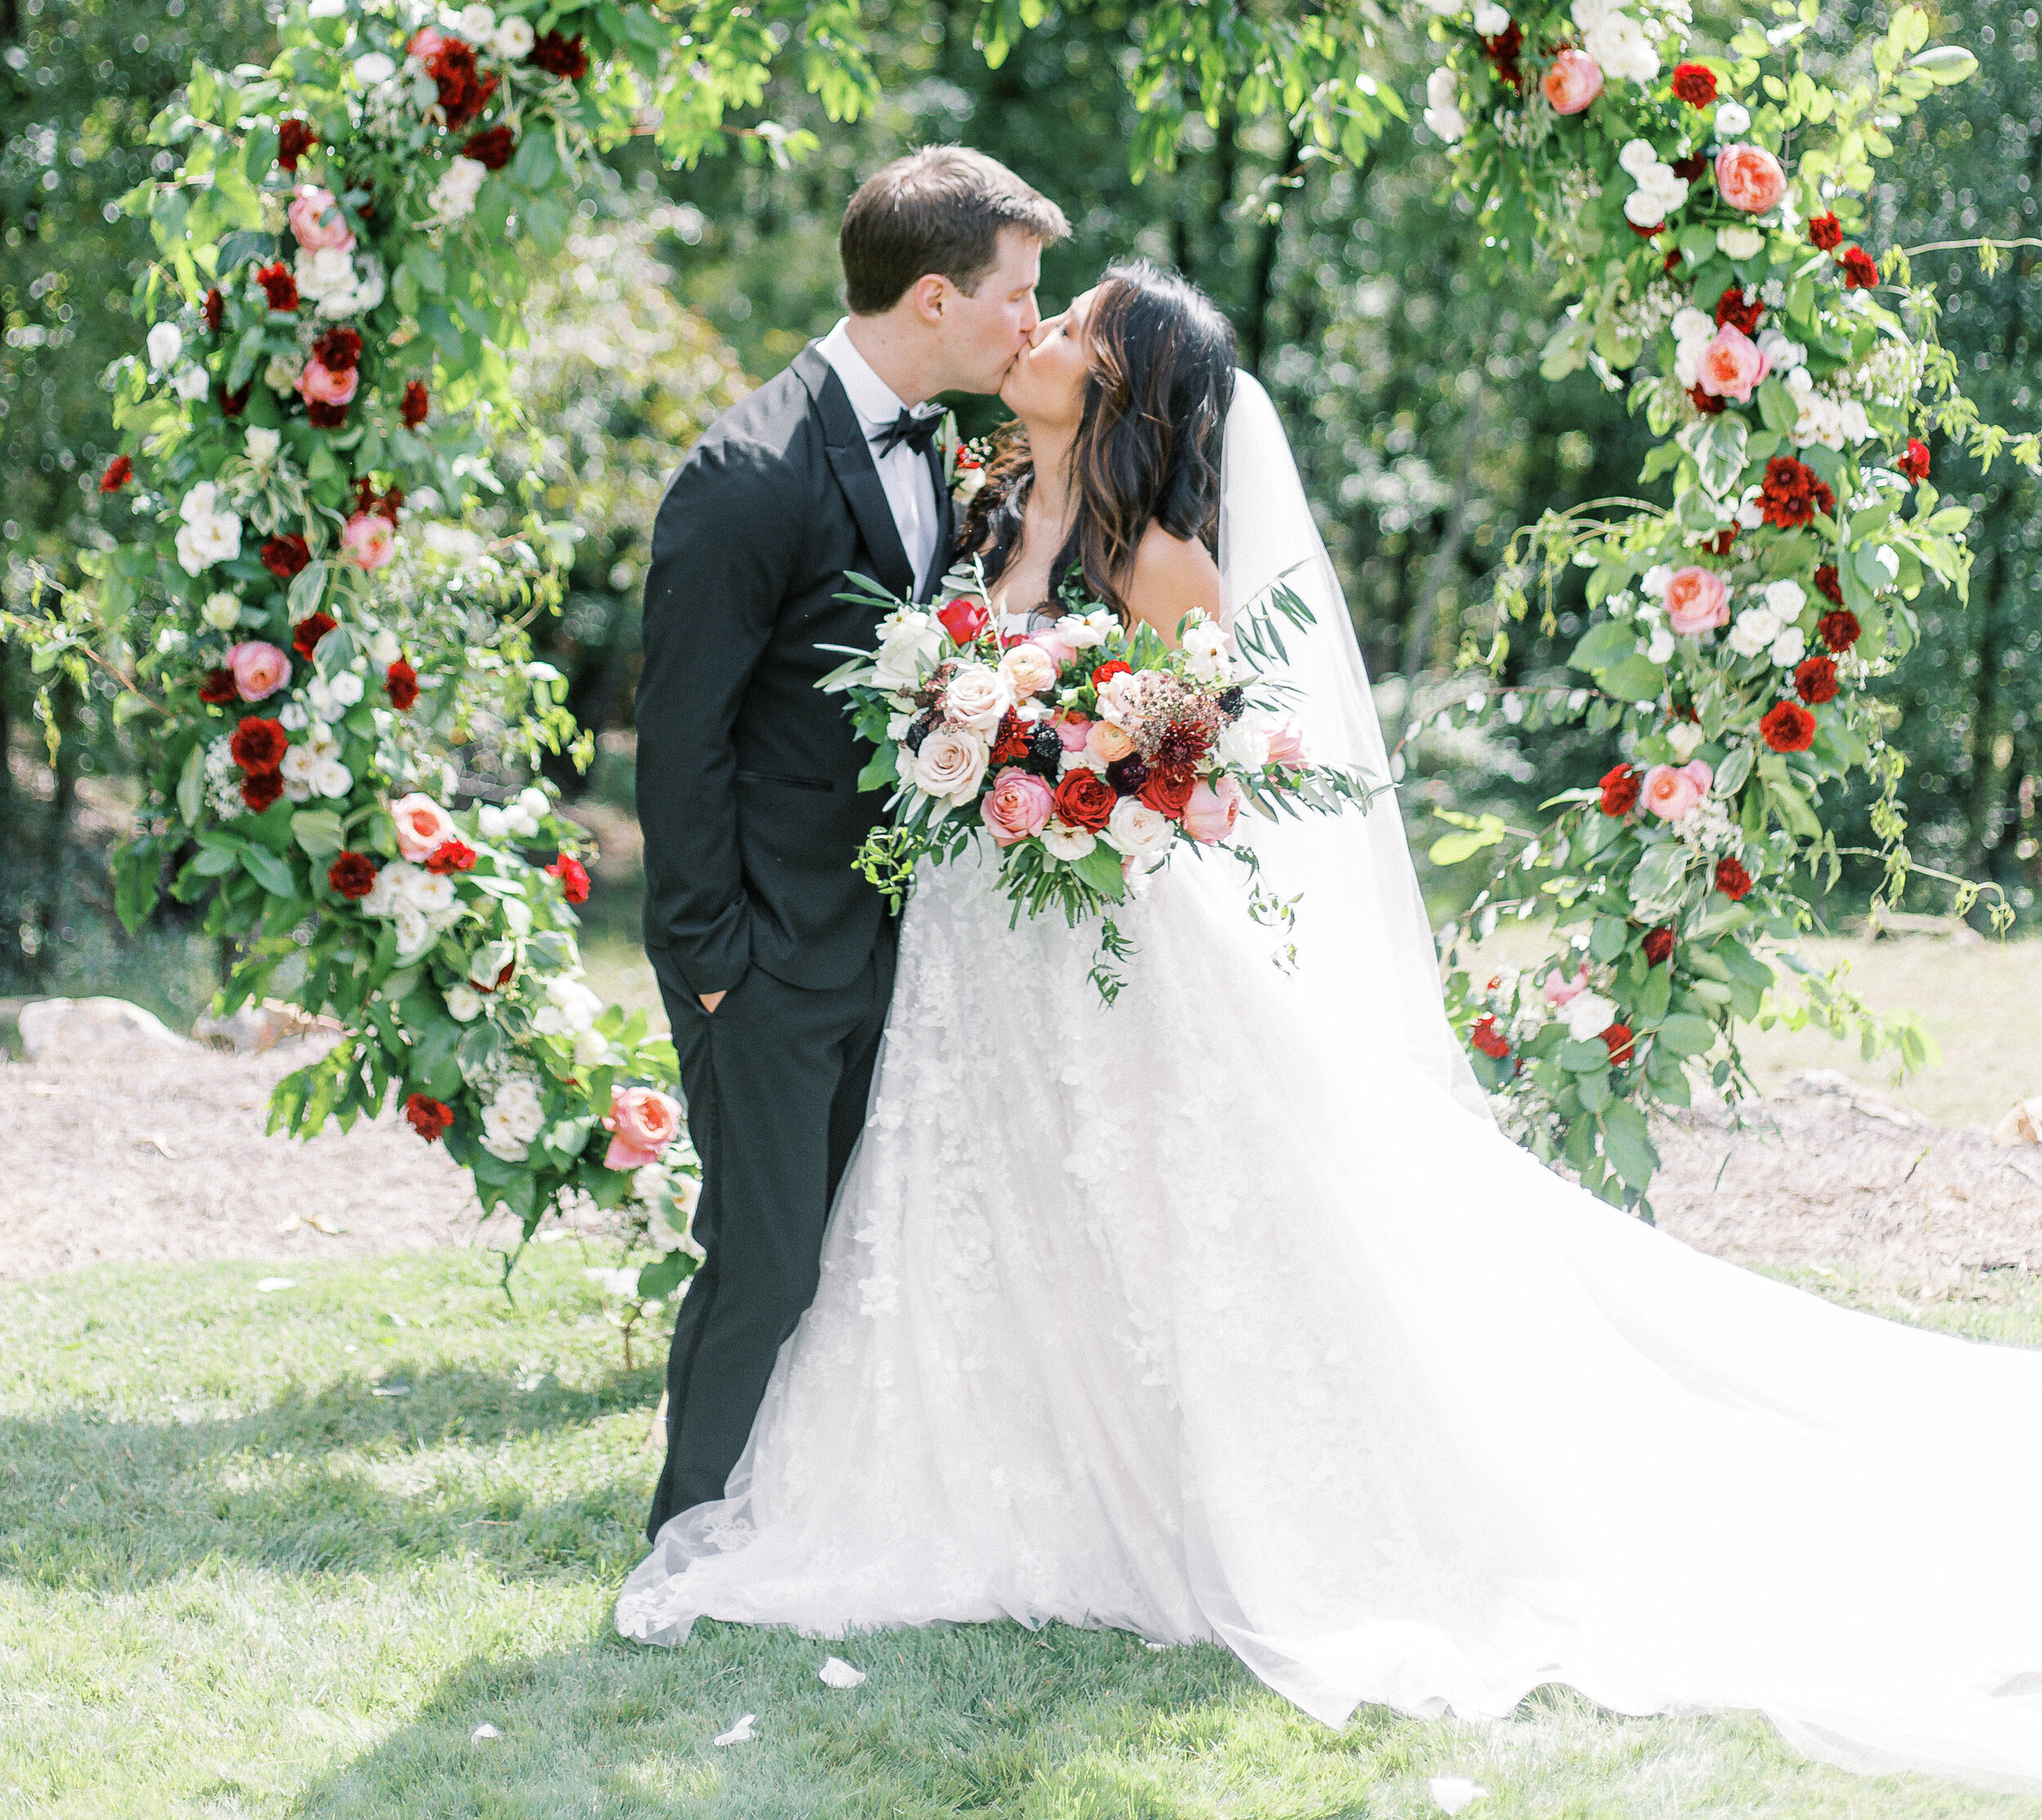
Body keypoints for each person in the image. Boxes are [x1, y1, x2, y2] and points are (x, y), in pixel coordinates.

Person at [621, 261, 2042, 1796]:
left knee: (1165, 1215)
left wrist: (1081, 780)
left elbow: (1207, 777)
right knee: (997, 1213)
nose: (1037, 329)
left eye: (1074, 322)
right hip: (971, 951)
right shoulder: (978, 505)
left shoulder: (1164, 564)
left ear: (1123, 384)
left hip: (1113, 946)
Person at [632, 143, 1068, 1539]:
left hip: (899, 939)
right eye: (1018, 292)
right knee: (762, 1259)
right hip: (762, 955)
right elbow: (679, 746)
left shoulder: (937, 444)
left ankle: (804, 1507)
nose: (1033, 321)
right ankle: (686, 1527)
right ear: (934, 297)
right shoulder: (744, 473)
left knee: (852, 1252)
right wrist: (712, 963)